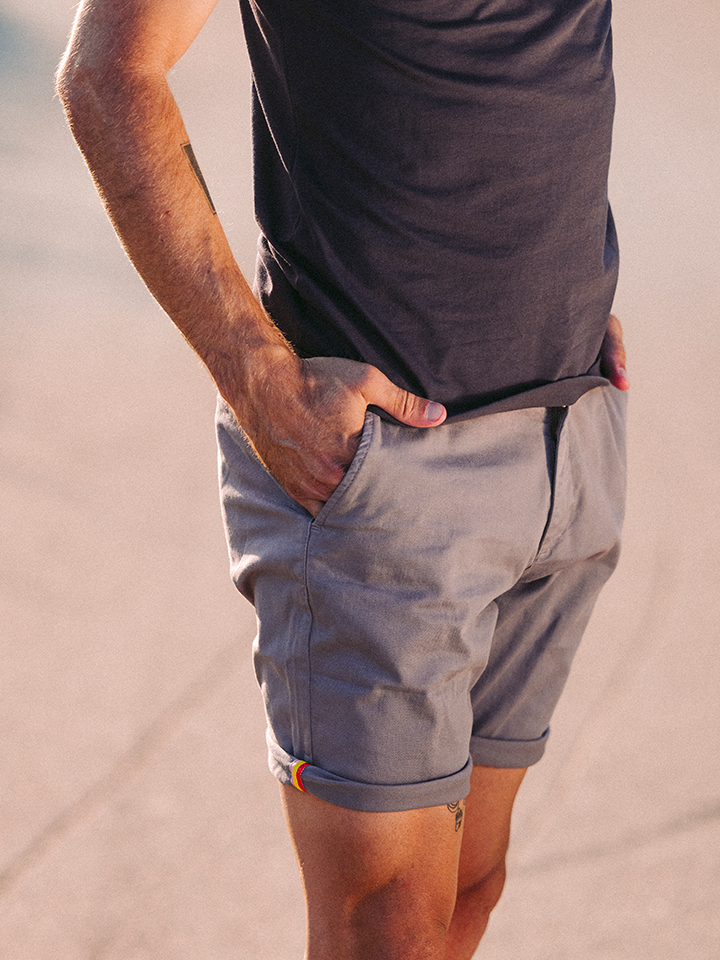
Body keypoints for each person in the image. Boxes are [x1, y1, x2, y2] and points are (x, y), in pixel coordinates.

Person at [57, 0, 629, 956]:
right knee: (388, 924)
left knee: (468, 891)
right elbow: (109, 76)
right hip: (385, 477)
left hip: (570, 433)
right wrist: (259, 383)